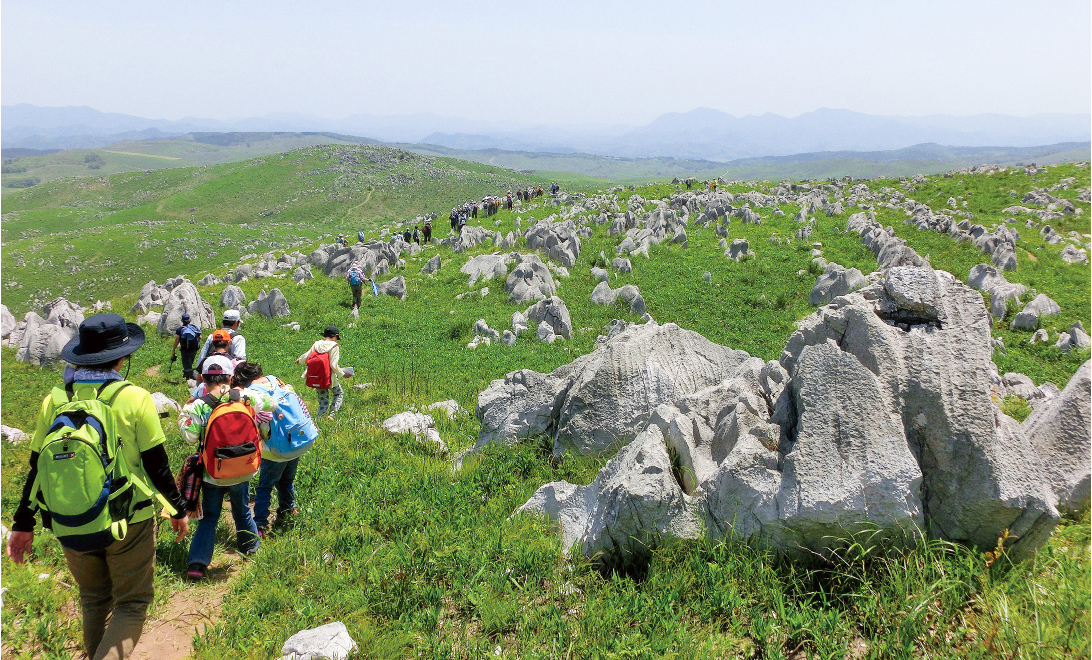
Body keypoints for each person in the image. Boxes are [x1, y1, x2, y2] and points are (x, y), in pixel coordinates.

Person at [7, 313, 190, 660]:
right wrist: (177, 508)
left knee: (94, 599)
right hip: (128, 519)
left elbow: (36, 470)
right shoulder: (135, 398)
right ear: (123, 358)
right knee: (132, 603)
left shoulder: (55, 398)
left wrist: (22, 524)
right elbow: (157, 466)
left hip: (69, 520)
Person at [178, 357, 276, 581]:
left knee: (210, 516)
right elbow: (272, 404)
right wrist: (247, 397)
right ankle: (251, 549)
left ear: (202, 379)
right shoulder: (245, 397)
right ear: (231, 378)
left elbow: (191, 438)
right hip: (243, 468)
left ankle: (197, 565)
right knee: (241, 509)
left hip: (213, 473)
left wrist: (183, 416)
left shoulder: (200, 405)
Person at [235, 362, 313, 537]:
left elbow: (259, 419)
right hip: (296, 441)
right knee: (287, 481)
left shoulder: (252, 393)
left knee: (265, 486)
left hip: (274, 450)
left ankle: (260, 523)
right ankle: (287, 510)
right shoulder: (277, 381)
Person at [297, 325, 351, 419]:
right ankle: (332, 415)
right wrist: (343, 374)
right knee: (339, 393)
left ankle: (320, 418)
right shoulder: (334, 346)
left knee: (323, 399)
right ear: (335, 336)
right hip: (329, 377)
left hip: (317, 377)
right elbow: (333, 365)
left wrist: (299, 360)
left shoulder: (317, 344)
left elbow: (307, 354)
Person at [171, 313, 202, 380]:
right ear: (189, 320)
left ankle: (193, 379)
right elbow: (200, 337)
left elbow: (177, 340)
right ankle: (188, 377)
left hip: (185, 350)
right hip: (194, 349)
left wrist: (174, 350)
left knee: (186, 364)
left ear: (182, 320)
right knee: (190, 362)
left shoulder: (180, 329)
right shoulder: (194, 327)